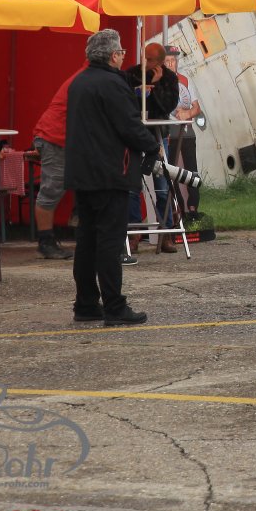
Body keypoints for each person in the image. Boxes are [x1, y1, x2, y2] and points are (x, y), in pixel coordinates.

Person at [67, 28, 160, 326]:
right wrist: (151, 145)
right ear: (112, 55)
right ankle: (114, 306)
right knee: (110, 240)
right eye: (121, 52)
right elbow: (128, 124)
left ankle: (85, 303)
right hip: (109, 171)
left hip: (83, 171)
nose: (122, 57)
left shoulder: (78, 82)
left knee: (87, 239)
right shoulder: (112, 83)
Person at [124, 42, 180, 256]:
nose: (144, 61)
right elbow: (125, 101)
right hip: (135, 134)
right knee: (132, 185)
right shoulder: (132, 74)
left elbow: (167, 106)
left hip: (157, 134)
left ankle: (166, 233)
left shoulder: (170, 78)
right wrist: (144, 86)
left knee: (162, 185)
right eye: (144, 57)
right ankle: (134, 233)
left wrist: (154, 87)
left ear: (159, 62)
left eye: (149, 59)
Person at [29, 74, 78, 259]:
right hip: (55, 138)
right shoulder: (88, 77)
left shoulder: (87, 75)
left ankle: (50, 240)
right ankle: (45, 242)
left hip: (62, 138)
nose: (122, 59)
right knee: (51, 191)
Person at [164, 47, 202, 211]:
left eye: (173, 60)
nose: (171, 64)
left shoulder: (185, 80)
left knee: (192, 170)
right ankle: (179, 209)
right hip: (169, 134)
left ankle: (193, 208)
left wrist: (188, 113)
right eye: (167, 61)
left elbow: (197, 108)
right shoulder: (158, 82)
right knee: (171, 171)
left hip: (187, 132)